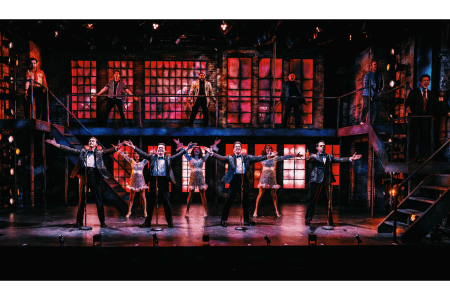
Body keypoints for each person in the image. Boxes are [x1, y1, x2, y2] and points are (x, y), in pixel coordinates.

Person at [46, 137, 123, 228]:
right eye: (90, 140)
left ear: (96, 144)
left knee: (99, 200)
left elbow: (109, 151)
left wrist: (117, 147)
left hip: (95, 176)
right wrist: (56, 145)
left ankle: (102, 221)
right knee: (81, 200)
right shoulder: (83, 151)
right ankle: (79, 221)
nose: (91, 142)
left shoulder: (99, 152)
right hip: (84, 176)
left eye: (93, 141)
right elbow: (71, 150)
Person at [124, 139, 194, 228]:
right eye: (159, 149)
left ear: (164, 151)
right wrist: (133, 147)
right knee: (151, 202)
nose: (160, 150)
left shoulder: (168, 158)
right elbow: (143, 153)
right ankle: (147, 222)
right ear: (157, 150)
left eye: (162, 149)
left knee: (166, 202)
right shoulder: (152, 157)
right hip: (153, 180)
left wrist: (187, 148)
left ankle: (170, 222)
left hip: (163, 181)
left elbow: (178, 155)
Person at [206, 141, 276, 227]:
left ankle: (246, 220)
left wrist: (268, 156)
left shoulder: (246, 157)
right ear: (233, 149)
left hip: (243, 179)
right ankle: (223, 220)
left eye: (239, 146)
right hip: (234, 179)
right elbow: (221, 158)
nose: (238, 148)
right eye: (236, 147)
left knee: (245, 201)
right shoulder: (230, 158)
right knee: (229, 201)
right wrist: (212, 153)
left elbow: (257, 158)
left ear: (241, 148)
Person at [304, 140, 362, 226]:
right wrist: (308, 157)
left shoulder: (329, 156)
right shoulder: (314, 155)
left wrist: (350, 158)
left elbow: (339, 159)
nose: (322, 147)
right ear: (317, 147)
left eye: (324, 146)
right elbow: (310, 158)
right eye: (321, 146)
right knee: (312, 199)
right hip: (316, 179)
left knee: (329, 200)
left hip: (327, 179)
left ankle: (330, 220)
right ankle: (308, 219)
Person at [405, 74, 450, 162]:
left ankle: (422, 157)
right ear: (420, 82)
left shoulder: (431, 94)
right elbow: (408, 102)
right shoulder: (414, 92)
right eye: (424, 80)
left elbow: (438, 104)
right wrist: (407, 110)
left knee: (424, 138)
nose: (426, 82)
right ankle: (411, 157)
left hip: (426, 118)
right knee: (413, 137)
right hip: (415, 118)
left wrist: (448, 112)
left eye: (427, 80)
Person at [253, 145, 299, 218]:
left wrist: (293, 155)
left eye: (270, 148)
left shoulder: (274, 158)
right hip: (264, 177)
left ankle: (277, 211)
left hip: (272, 176)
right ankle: (255, 210)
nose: (269, 149)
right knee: (260, 194)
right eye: (267, 148)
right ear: (265, 150)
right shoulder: (262, 157)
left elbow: (284, 157)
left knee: (274, 195)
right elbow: (254, 158)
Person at [184, 140, 220, 218]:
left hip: (200, 177)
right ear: (193, 151)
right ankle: (187, 211)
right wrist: (186, 147)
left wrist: (213, 146)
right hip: (193, 177)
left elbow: (210, 152)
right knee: (190, 195)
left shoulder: (202, 159)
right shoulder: (190, 158)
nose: (196, 150)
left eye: (198, 149)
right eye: (195, 149)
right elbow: (183, 152)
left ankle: (205, 211)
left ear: (200, 151)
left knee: (203, 195)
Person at [115, 147, 149, 218]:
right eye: (135, 153)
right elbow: (125, 156)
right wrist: (118, 150)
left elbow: (149, 157)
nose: (137, 155)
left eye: (138, 153)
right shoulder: (131, 161)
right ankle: (129, 211)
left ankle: (145, 211)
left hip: (141, 180)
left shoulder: (143, 162)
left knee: (143, 197)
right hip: (133, 180)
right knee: (131, 197)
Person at [361, 60, 384, 124]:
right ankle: (362, 121)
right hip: (367, 93)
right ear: (371, 66)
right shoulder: (368, 75)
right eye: (374, 64)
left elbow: (382, 84)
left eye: (376, 64)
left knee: (375, 109)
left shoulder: (379, 74)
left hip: (375, 94)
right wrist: (370, 96)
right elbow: (366, 85)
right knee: (366, 106)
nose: (376, 66)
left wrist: (379, 93)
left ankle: (371, 123)